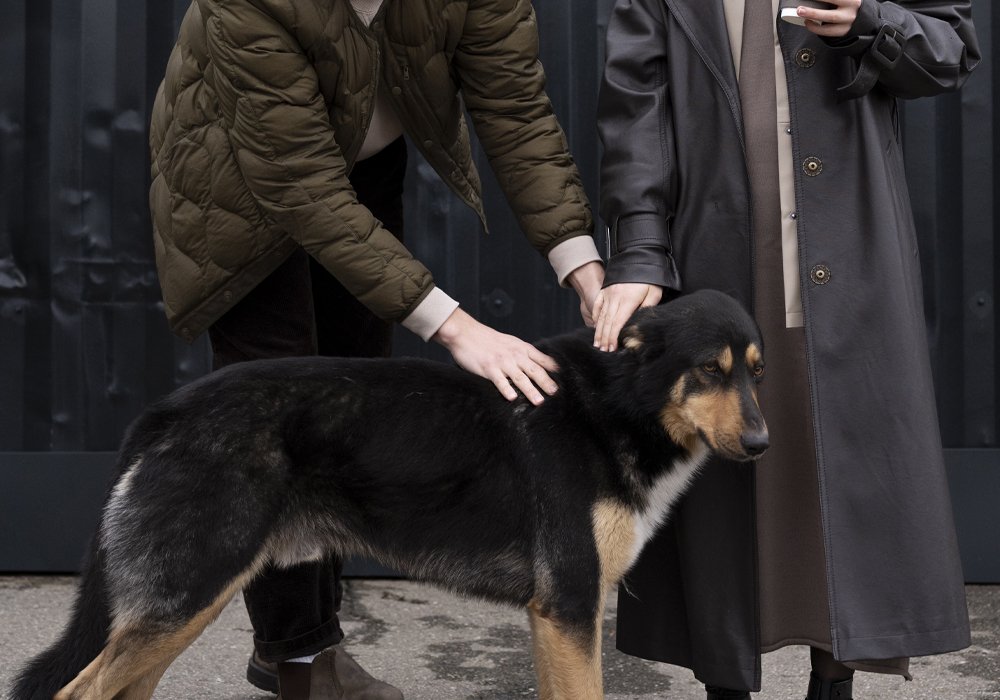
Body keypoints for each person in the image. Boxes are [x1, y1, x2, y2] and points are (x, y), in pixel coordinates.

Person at [148, 0, 605, 697]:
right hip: (238, 181)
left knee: (352, 404)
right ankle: (299, 655)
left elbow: (515, 112)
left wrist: (582, 265)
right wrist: (458, 329)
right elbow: (300, 184)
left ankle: (304, 638)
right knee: (279, 418)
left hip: (363, 161)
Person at [593, 0, 979, 698]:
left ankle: (833, 685)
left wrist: (872, 22)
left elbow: (949, 51)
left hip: (851, 251)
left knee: (843, 455)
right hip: (712, 255)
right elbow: (635, 110)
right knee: (716, 478)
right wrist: (642, 250)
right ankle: (724, 683)